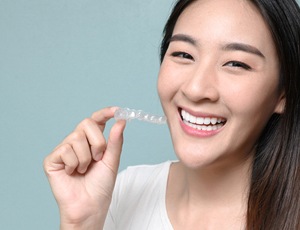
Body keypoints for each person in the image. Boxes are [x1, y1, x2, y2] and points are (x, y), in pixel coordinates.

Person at [43, 0, 300, 229]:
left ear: (283, 94)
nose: (196, 89)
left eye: (236, 63)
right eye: (183, 54)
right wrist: (81, 224)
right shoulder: (125, 191)